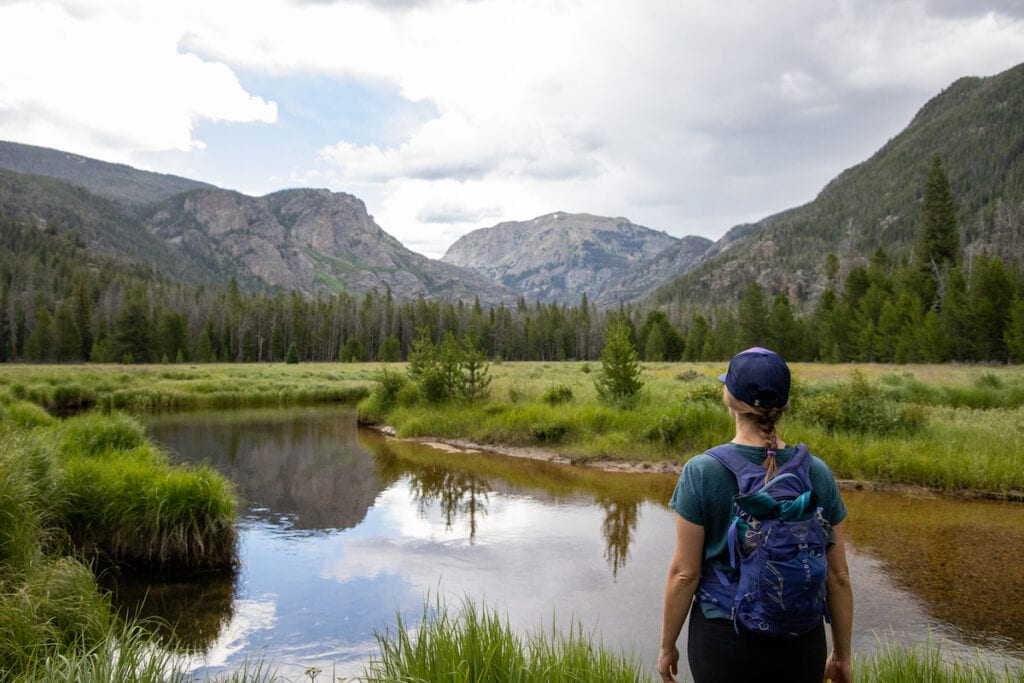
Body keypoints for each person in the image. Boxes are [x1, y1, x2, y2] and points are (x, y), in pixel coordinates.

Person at [657, 347, 854, 683]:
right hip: (801, 642)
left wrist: (666, 646)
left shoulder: (702, 471)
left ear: (730, 399)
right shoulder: (816, 471)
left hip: (725, 639)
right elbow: (838, 577)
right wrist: (842, 655)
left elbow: (684, 575)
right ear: (784, 406)